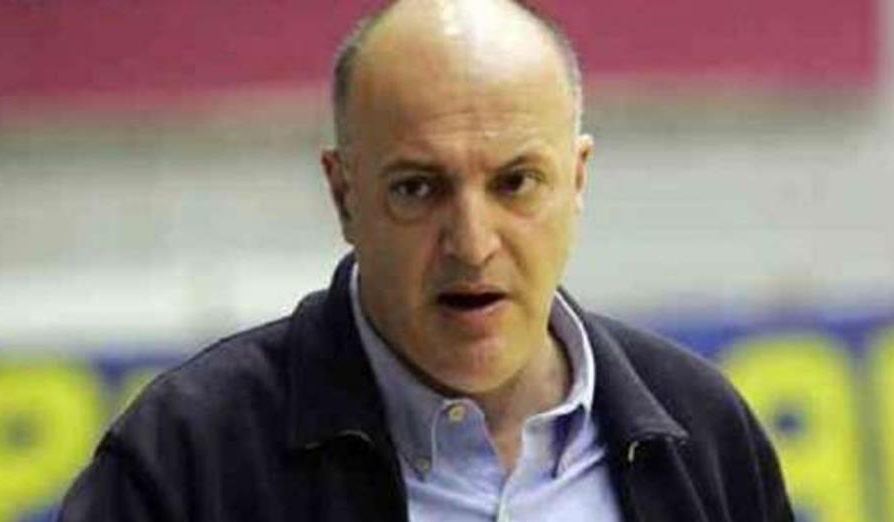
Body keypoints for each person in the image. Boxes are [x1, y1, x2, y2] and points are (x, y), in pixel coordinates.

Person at [58, 0, 794, 520]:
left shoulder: (703, 432)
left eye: (516, 183)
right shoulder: (190, 457)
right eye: (417, 188)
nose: (471, 244)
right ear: (344, 195)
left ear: (578, 181)